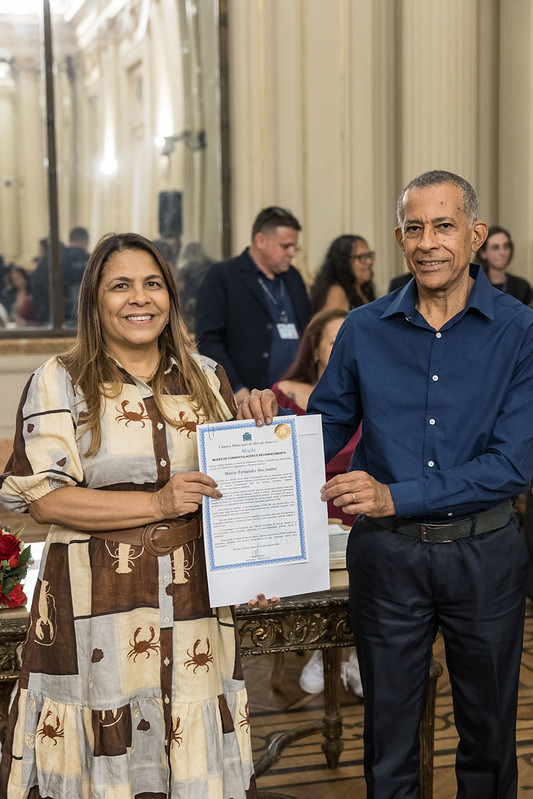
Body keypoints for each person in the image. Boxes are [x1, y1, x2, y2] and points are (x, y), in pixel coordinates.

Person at [237, 170, 533, 798]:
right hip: (388, 558)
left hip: (485, 555)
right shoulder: (364, 329)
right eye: (415, 227)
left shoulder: (521, 332)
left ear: (475, 235)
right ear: (401, 237)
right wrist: (261, 436)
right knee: (388, 738)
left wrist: (396, 494)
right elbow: (324, 428)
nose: (429, 242)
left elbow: (513, 465)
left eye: (445, 226)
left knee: (487, 736)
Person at [0, 232, 261, 798]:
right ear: (95, 300)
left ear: (170, 294)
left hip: (195, 603)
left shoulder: (207, 377)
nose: (139, 298)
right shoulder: (60, 378)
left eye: (152, 284)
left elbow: (232, 490)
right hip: (95, 610)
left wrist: (259, 565)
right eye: (120, 286)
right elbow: (45, 499)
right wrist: (159, 503)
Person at [272, 308, 363, 697]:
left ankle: (357, 652)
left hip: (360, 504)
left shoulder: (371, 391)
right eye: (335, 340)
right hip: (308, 503)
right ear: (315, 351)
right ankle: (322, 646)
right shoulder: (283, 392)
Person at [195, 206, 311, 404]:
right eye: (285, 246)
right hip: (246, 396)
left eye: (294, 247)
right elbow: (209, 339)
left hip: (294, 396)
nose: (292, 253)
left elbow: (308, 329)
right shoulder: (224, 276)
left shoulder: (293, 277)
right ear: (261, 241)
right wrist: (234, 386)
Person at [309, 234, 376, 312]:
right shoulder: (337, 293)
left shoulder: (364, 290)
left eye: (369, 255)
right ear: (344, 262)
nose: (370, 261)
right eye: (362, 257)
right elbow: (329, 323)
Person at [477, 224, 532, 304]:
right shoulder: (474, 286)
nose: (502, 252)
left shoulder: (522, 287)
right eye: (495, 247)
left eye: (506, 246)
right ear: (483, 253)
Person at [63, 226, 90, 326]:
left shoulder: (58, 257)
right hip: (80, 315)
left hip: (59, 315)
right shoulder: (89, 260)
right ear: (85, 241)